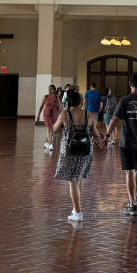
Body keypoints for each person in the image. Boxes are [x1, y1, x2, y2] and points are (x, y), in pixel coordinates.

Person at [107, 72, 137, 215]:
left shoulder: (125, 100)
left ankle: (132, 203)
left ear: (130, 84)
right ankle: (133, 197)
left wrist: (107, 135)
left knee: (129, 171)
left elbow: (115, 119)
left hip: (127, 142)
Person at [53, 88, 92, 222]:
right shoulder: (88, 114)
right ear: (80, 101)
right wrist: (103, 141)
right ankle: (76, 208)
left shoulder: (65, 114)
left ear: (69, 102)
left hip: (70, 150)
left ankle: (78, 213)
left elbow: (55, 128)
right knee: (79, 178)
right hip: (85, 150)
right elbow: (96, 133)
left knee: (72, 181)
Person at [38, 84, 59, 151]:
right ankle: (50, 143)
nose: (49, 90)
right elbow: (41, 106)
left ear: (54, 90)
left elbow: (59, 107)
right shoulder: (46, 97)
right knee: (48, 128)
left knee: (52, 129)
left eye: (51, 89)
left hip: (54, 114)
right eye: (49, 89)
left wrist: (56, 105)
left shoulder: (57, 97)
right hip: (46, 114)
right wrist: (38, 115)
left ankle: (47, 142)